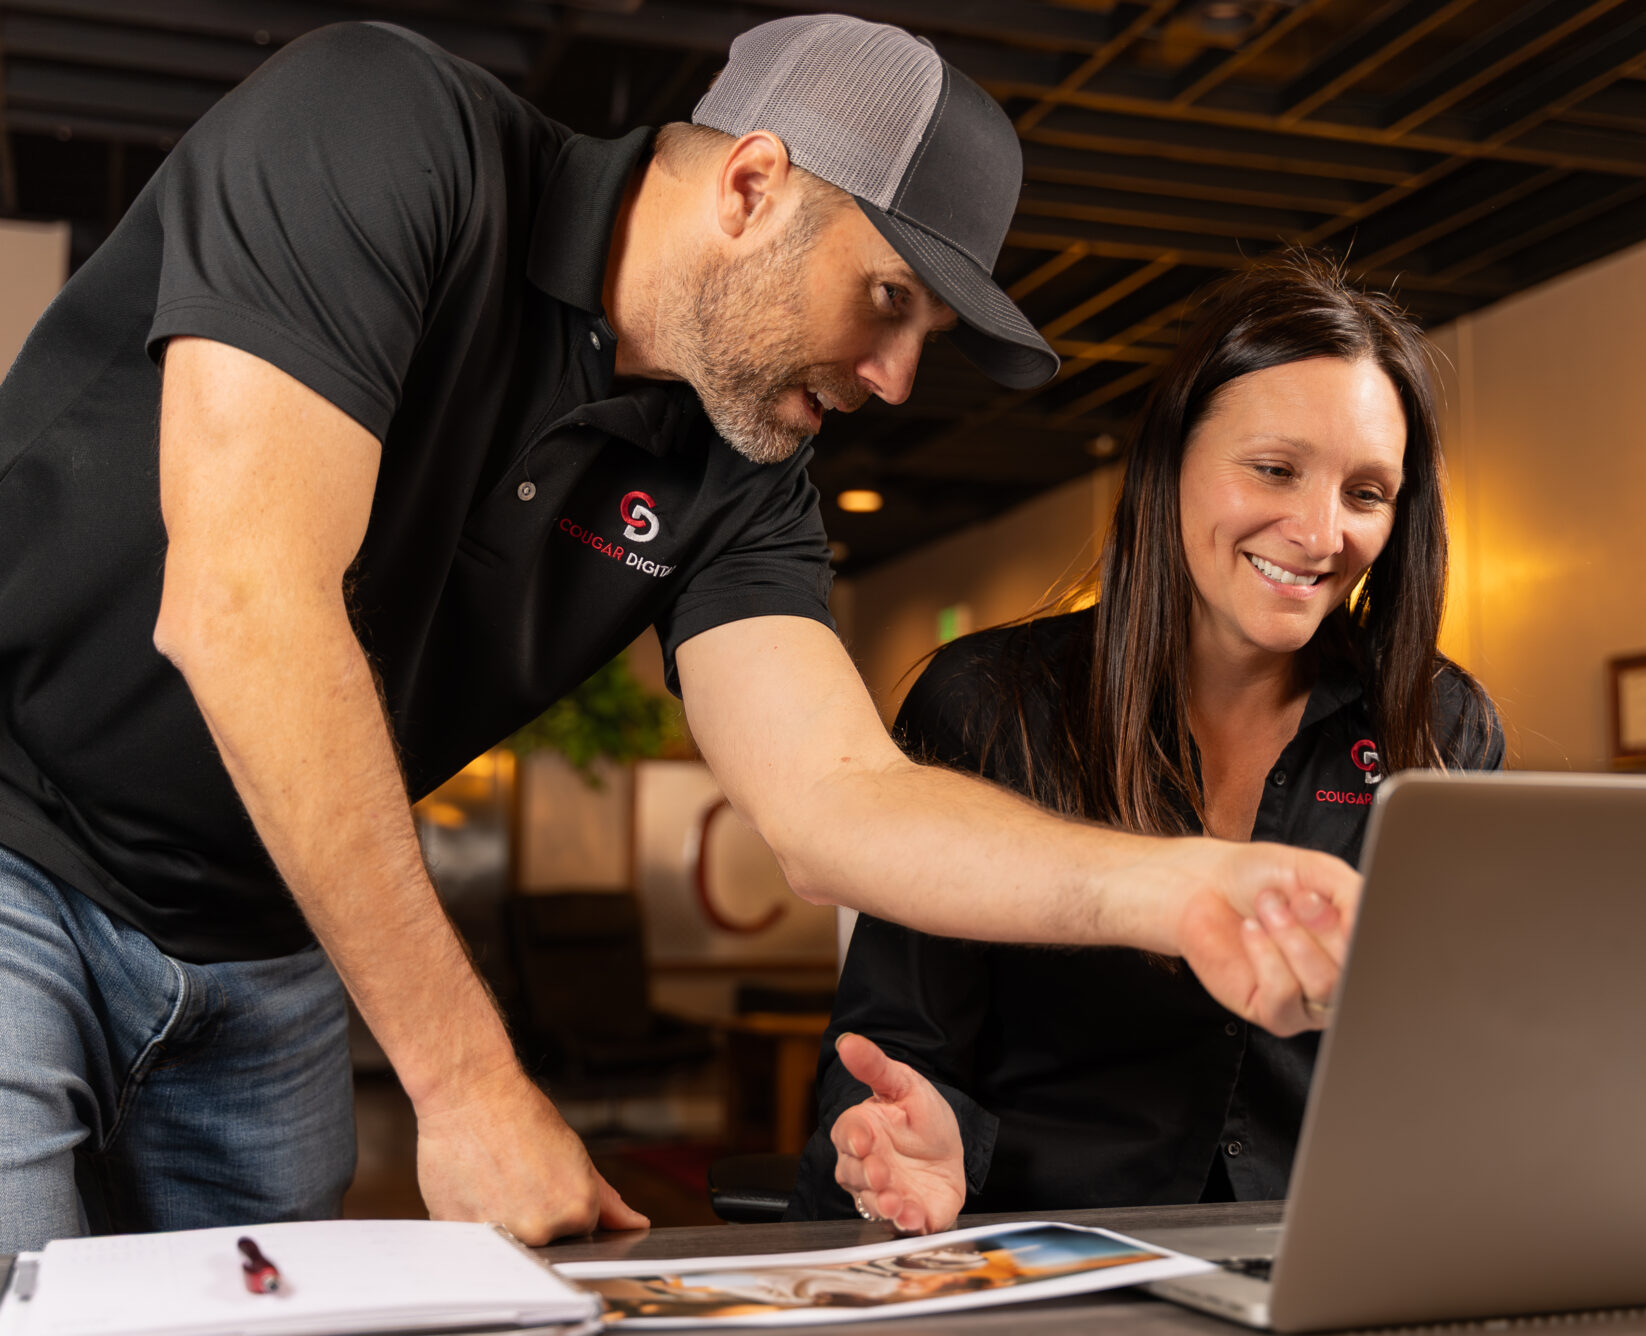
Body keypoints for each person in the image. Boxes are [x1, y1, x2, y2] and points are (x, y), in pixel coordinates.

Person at [0, 15, 1361, 1252]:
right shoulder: (380, 133)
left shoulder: (744, 472)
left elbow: (838, 799)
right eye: (889, 299)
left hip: (265, 934)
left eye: (925, 333)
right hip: (19, 848)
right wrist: (469, 1082)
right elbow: (244, 606)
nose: (895, 380)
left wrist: (1180, 890)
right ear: (751, 185)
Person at [789, 251, 1505, 1233]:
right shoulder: (993, 705)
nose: (1316, 530)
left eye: (1365, 493)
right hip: (1044, 1260)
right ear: (1167, 464)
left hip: (1321, 1260)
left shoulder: (1440, 724)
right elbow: (884, 1056)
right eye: (1273, 469)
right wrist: (914, 1135)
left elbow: (1465, 1055)